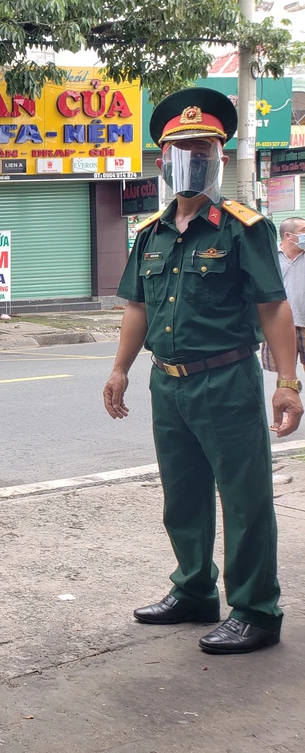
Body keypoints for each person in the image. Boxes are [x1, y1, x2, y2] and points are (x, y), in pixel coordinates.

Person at [103, 87, 303, 654]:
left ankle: (256, 610)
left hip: (226, 379)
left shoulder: (244, 227)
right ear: (162, 160)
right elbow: (137, 307)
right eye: (180, 150)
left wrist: (288, 383)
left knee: (244, 499)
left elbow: (273, 306)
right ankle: (194, 590)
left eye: (202, 149)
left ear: (220, 156)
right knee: (183, 495)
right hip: (167, 382)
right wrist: (119, 369)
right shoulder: (151, 233)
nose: (191, 159)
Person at [261, 216, 305, 372]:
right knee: (284, 373)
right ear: (288, 235)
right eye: (303, 231)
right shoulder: (269, 257)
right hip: (278, 325)